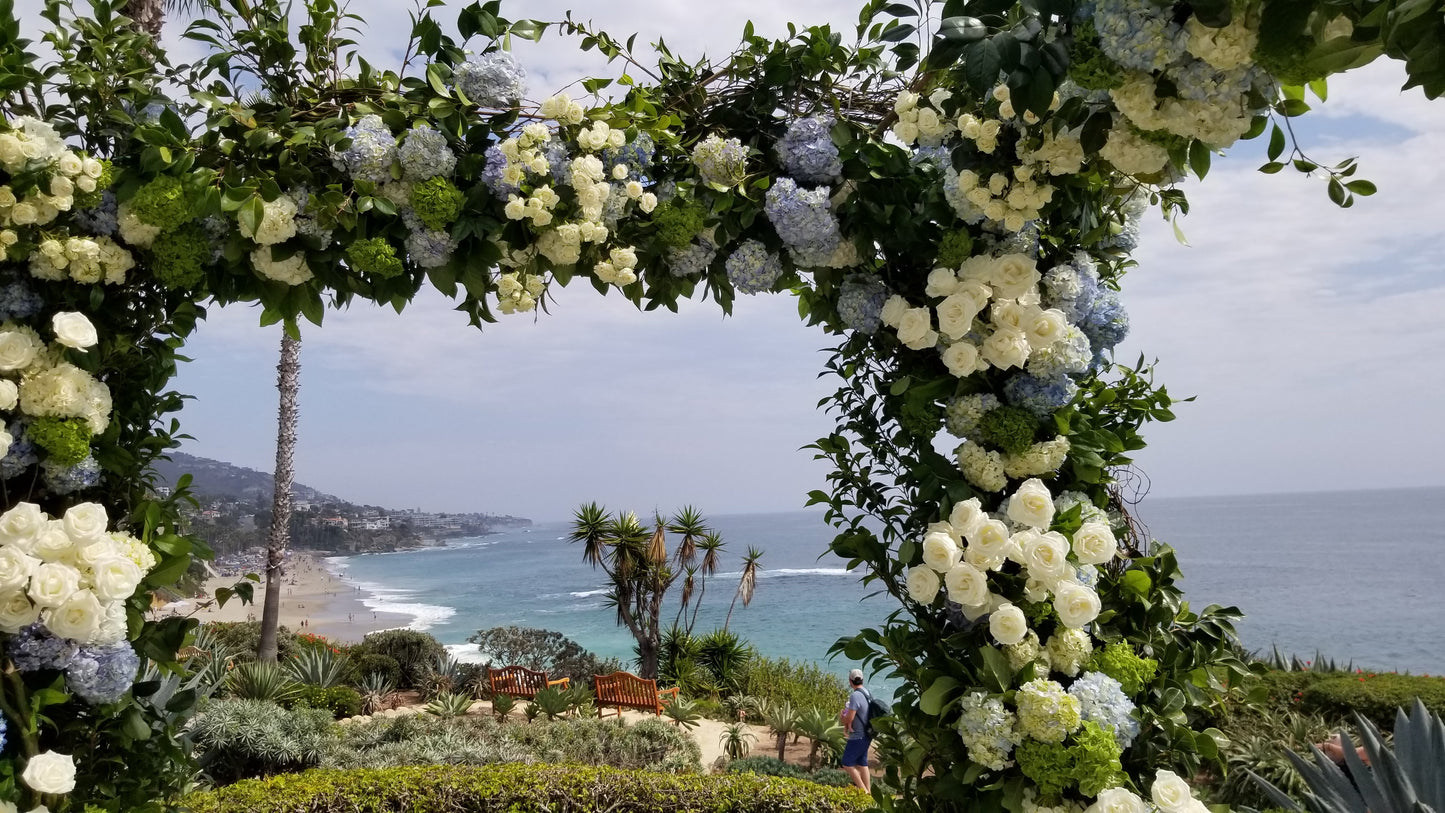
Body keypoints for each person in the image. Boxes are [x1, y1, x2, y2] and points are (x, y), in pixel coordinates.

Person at [839, 668, 873, 792]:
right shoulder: (867, 693)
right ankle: (868, 792)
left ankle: (864, 791)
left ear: (850, 681)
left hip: (857, 736)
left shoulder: (855, 696)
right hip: (867, 734)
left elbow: (849, 718)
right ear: (862, 680)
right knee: (862, 763)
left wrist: (842, 716)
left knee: (847, 763)